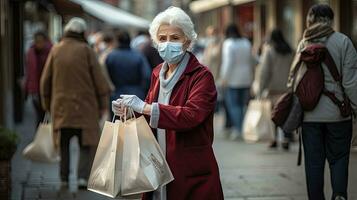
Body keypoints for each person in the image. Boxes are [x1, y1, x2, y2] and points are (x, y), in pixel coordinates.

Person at [111, 6, 224, 200]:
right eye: (162, 39)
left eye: (175, 38)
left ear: (187, 41)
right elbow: (148, 115)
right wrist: (128, 111)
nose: (167, 43)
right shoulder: (157, 72)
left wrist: (144, 107)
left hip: (189, 165)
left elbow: (191, 115)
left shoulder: (201, 76)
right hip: (157, 160)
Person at [288, 4, 357, 200]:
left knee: (314, 163)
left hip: (310, 117)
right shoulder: (343, 42)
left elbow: (292, 81)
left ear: (311, 19)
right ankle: (340, 196)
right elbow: (351, 83)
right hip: (338, 116)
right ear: (331, 20)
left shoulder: (303, 44)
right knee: (339, 159)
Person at [40, 17, 111, 189]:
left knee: (63, 143)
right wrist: (103, 105)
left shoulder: (56, 50)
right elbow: (100, 81)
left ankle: (64, 178)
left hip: (61, 107)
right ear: (82, 32)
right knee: (86, 143)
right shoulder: (87, 50)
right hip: (85, 107)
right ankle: (81, 178)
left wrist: (47, 105)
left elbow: (45, 81)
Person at [255, 29, 294, 150]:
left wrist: (261, 90)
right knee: (286, 114)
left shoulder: (270, 52)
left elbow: (264, 72)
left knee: (274, 115)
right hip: (288, 89)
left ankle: (274, 139)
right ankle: (286, 138)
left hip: (273, 90)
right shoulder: (291, 51)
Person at [219, 23, 254, 140]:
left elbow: (228, 63)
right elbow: (251, 60)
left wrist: (224, 78)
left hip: (232, 79)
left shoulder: (228, 44)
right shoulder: (246, 42)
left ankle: (238, 129)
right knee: (242, 105)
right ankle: (243, 128)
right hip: (246, 78)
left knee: (234, 105)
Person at [105, 30, 151, 117]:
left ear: (117, 41)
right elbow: (147, 76)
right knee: (138, 126)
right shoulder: (138, 55)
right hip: (137, 95)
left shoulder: (110, 56)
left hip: (117, 96)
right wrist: (142, 90)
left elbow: (106, 76)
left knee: (118, 126)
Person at [24, 31, 52, 126]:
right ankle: (40, 138)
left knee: (47, 117)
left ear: (45, 41)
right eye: (36, 41)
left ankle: (47, 138)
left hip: (48, 90)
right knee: (39, 117)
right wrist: (27, 89)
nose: (38, 43)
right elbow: (29, 73)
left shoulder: (51, 52)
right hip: (36, 90)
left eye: (40, 41)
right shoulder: (31, 52)